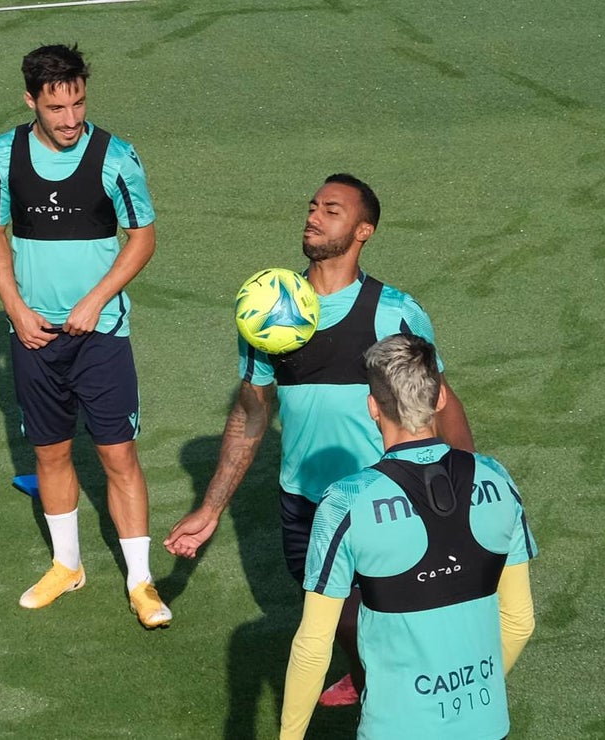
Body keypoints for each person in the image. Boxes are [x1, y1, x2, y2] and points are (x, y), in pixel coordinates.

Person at [164, 173, 475, 701]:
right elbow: (253, 412)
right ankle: (365, 677)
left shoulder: (392, 311)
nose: (313, 216)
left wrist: (462, 489)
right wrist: (211, 508)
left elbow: (440, 399)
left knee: (367, 616)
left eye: (332, 210)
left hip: (381, 498)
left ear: (363, 231)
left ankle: (396, 700)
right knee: (331, 612)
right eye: (312, 207)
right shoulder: (267, 308)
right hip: (306, 504)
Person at [0, 44, 170, 629]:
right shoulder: (1, 156)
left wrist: (96, 299)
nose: (70, 120)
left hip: (101, 335)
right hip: (33, 336)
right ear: (31, 99)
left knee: (118, 455)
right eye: (57, 108)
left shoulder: (116, 157)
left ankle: (140, 580)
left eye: (79, 103)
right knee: (51, 452)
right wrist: (15, 308)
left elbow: (143, 237)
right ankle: (69, 566)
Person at [280, 333, 537, 739]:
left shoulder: (345, 503)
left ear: (372, 408)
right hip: (487, 725)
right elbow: (519, 622)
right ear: (439, 400)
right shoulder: (497, 481)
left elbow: (313, 646)